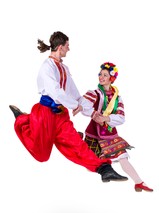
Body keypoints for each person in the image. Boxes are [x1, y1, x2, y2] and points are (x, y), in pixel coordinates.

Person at [9, 31, 128, 183]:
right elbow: (56, 93)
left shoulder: (64, 68)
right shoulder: (47, 67)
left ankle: (104, 169)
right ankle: (23, 119)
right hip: (45, 114)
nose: (69, 49)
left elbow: (75, 95)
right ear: (60, 47)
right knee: (41, 156)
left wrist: (92, 113)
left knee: (77, 146)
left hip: (61, 115)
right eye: (67, 46)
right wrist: (74, 105)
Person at [73, 62, 153, 192]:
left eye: (105, 75)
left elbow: (121, 117)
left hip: (109, 134)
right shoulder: (95, 93)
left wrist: (107, 118)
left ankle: (139, 182)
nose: (101, 77)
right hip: (94, 133)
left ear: (111, 78)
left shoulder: (117, 98)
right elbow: (85, 103)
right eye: (100, 74)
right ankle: (77, 140)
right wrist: (82, 107)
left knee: (123, 157)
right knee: (88, 163)